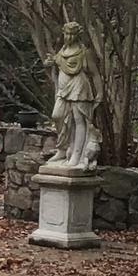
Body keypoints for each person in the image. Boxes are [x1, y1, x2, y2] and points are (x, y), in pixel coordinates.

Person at [48, 21, 100, 171]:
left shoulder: (84, 52)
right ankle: (63, 149)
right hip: (63, 90)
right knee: (57, 116)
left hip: (79, 87)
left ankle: (77, 155)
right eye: (66, 34)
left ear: (77, 35)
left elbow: (95, 74)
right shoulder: (62, 51)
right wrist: (50, 63)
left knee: (79, 121)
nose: (68, 37)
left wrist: (100, 92)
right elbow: (57, 66)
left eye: (72, 34)